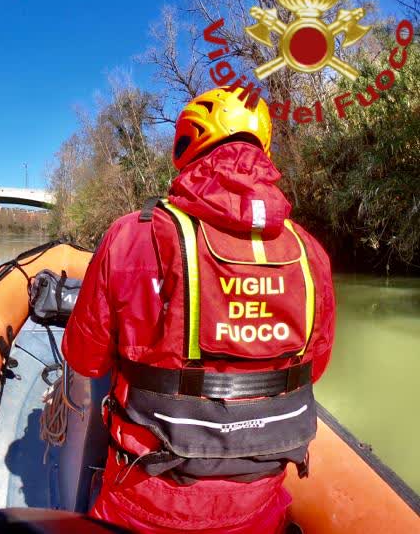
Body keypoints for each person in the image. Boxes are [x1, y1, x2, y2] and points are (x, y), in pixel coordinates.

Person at [62, 87, 336, 534]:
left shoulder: (131, 237)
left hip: (141, 504)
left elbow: (84, 358)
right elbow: (315, 367)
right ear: (264, 147)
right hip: (257, 508)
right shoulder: (311, 253)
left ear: (188, 147)